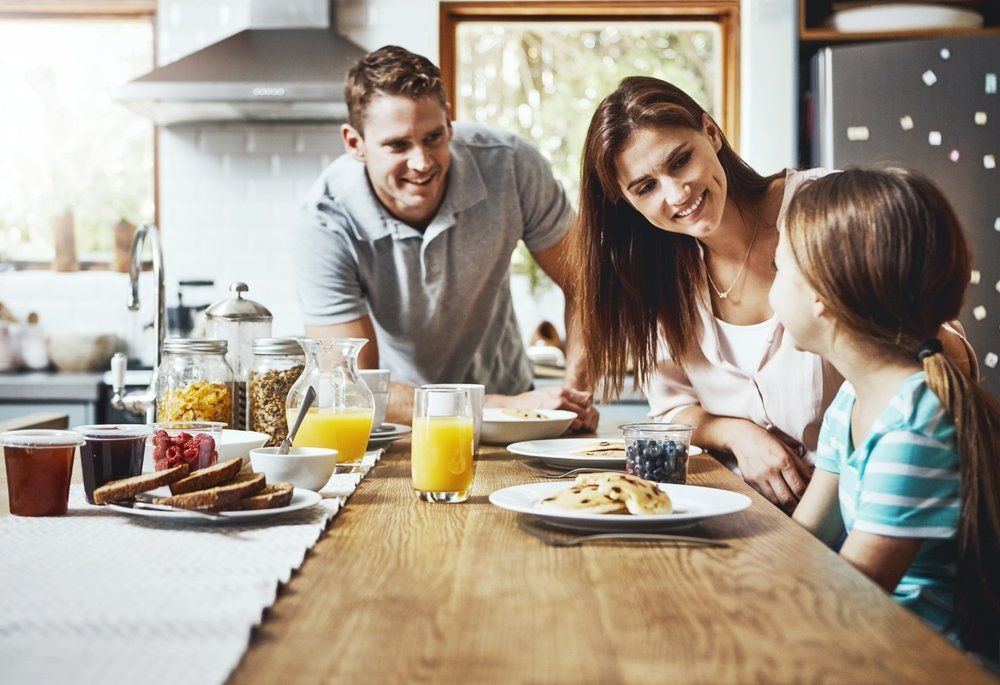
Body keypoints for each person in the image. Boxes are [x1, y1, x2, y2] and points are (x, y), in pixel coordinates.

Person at [573, 76, 972, 507]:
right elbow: (672, 411)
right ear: (627, 201)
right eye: (646, 188)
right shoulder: (654, 270)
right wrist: (737, 434)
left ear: (711, 132)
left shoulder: (821, 208)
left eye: (680, 161)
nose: (675, 193)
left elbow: (943, 355)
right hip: (743, 507)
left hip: (867, 502)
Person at [294, 46, 597, 430]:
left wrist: (573, 395)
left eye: (434, 137)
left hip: (515, 415)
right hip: (404, 424)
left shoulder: (512, 166)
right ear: (355, 143)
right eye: (398, 145)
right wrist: (501, 406)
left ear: (450, 125)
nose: (421, 162)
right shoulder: (323, 223)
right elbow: (348, 383)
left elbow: (585, 280)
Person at [773, 168, 999, 661]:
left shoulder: (917, 424)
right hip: (868, 642)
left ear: (821, 298)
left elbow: (854, 591)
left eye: (778, 273)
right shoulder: (851, 401)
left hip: (921, 660)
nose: (771, 295)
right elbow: (806, 543)